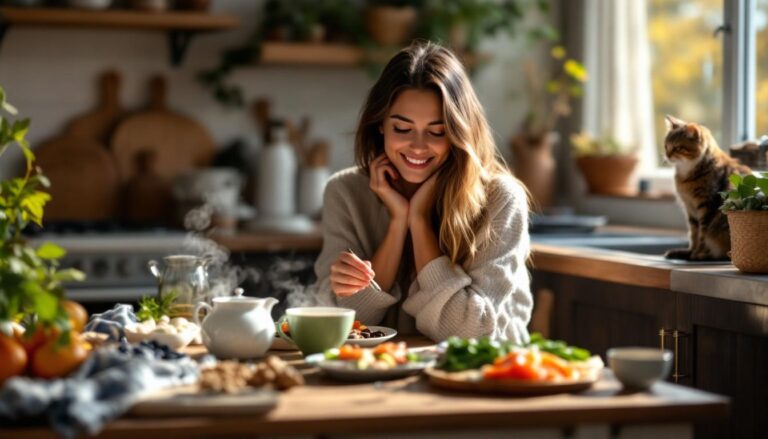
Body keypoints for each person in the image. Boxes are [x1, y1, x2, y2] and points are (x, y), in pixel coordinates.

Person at [312, 41, 533, 344]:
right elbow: (341, 322)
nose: (418, 146)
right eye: (402, 129)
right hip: (381, 372)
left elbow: (472, 331)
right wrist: (398, 221)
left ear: (459, 132)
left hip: (483, 377)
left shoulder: (500, 198)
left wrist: (418, 220)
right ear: (380, 125)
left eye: (437, 131)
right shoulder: (345, 192)